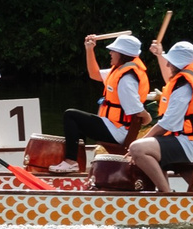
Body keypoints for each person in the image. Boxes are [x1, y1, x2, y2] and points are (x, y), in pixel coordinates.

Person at [124, 37, 193, 192]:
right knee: (149, 146)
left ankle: (166, 195)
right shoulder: (188, 81)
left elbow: (168, 124)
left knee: (137, 148)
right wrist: (160, 54)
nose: (167, 64)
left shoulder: (185, 87)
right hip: (189, 141)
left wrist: (138, 144)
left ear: (179, 65)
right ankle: (166, 192)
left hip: (189, 145)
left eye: (170, 62)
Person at [63, 31, 151, 166]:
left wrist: (147, 117)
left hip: (118, 131)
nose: (110, 53)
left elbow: (136, 109)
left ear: (123, 54)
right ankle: (76, 164)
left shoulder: (126, 78)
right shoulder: (119, 71)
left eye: (113, 51)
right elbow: (94, 74)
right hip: (113, 126)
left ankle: (71, 161)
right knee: (77, 122)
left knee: (71, 116)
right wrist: (89, 49)